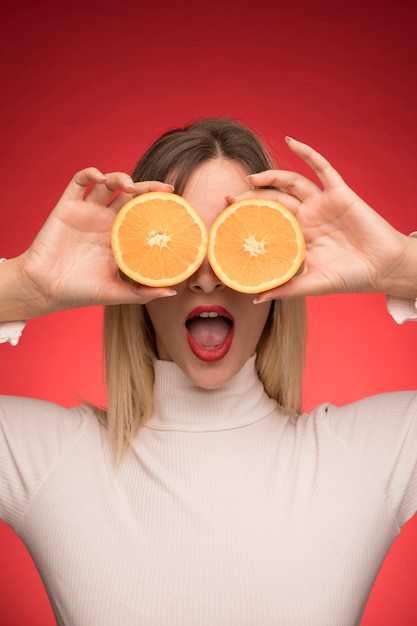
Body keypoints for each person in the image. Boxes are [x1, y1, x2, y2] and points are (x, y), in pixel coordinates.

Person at [0, 118, 416, 626]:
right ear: (132, 263)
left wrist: (399, 266)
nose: (205, 278)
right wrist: (24, 287)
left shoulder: (374, 454)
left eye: (235, 238)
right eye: (179, 240)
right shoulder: (38, 459)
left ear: (282, 262)